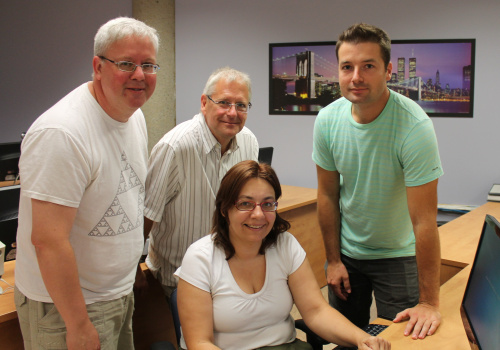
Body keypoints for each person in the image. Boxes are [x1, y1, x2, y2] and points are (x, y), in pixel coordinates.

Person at [14, 17, 160, 350]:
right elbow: (48, 242)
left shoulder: (133, 115)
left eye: (149, 65)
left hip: (117, 296)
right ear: (98, 66)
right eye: (126, 64)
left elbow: (126, 199)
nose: (140, 75)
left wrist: (131, 269)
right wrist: (78, 324)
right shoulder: (62, 133)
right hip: (66, 309)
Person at [312, 23, 443, 340]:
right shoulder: (328, 120)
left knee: (400, 342)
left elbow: (424, 220)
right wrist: (332, 260)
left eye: (368, 66)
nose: (356, 77)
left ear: (387, 71)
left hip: (398, 257)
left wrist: (429, 301)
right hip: (347, 255)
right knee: (347, 339)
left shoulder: (414, 127)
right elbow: (328, 196)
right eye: (347, 67)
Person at [174, 160, 390, 350]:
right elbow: (199, 343)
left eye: (267, 204)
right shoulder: (200, 258)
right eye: (245, 204)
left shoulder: (285, 245)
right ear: (224, 209)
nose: (258, 214)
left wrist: (362, 339)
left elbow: (316, 311)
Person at [142, 67, 259, 300]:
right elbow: (146, 216)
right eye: (224, 102)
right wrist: (131, 269)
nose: (232, 112)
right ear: (204, 103)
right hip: (179, 277)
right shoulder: (175, 147)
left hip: (228, 272)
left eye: (241, 105)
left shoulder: (249, 142)